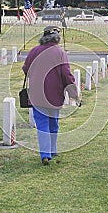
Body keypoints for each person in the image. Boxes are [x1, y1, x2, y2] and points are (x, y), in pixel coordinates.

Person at [22, 25, 79, 165]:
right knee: (53, 123)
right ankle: (52, 150)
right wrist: (74, 94)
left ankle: (45, 154)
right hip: (54, 94)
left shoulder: (34, 51)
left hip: (37, 94)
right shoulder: (60, 52)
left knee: (42, 125)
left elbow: (26, 69)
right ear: (57, 38)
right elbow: (67, 75)